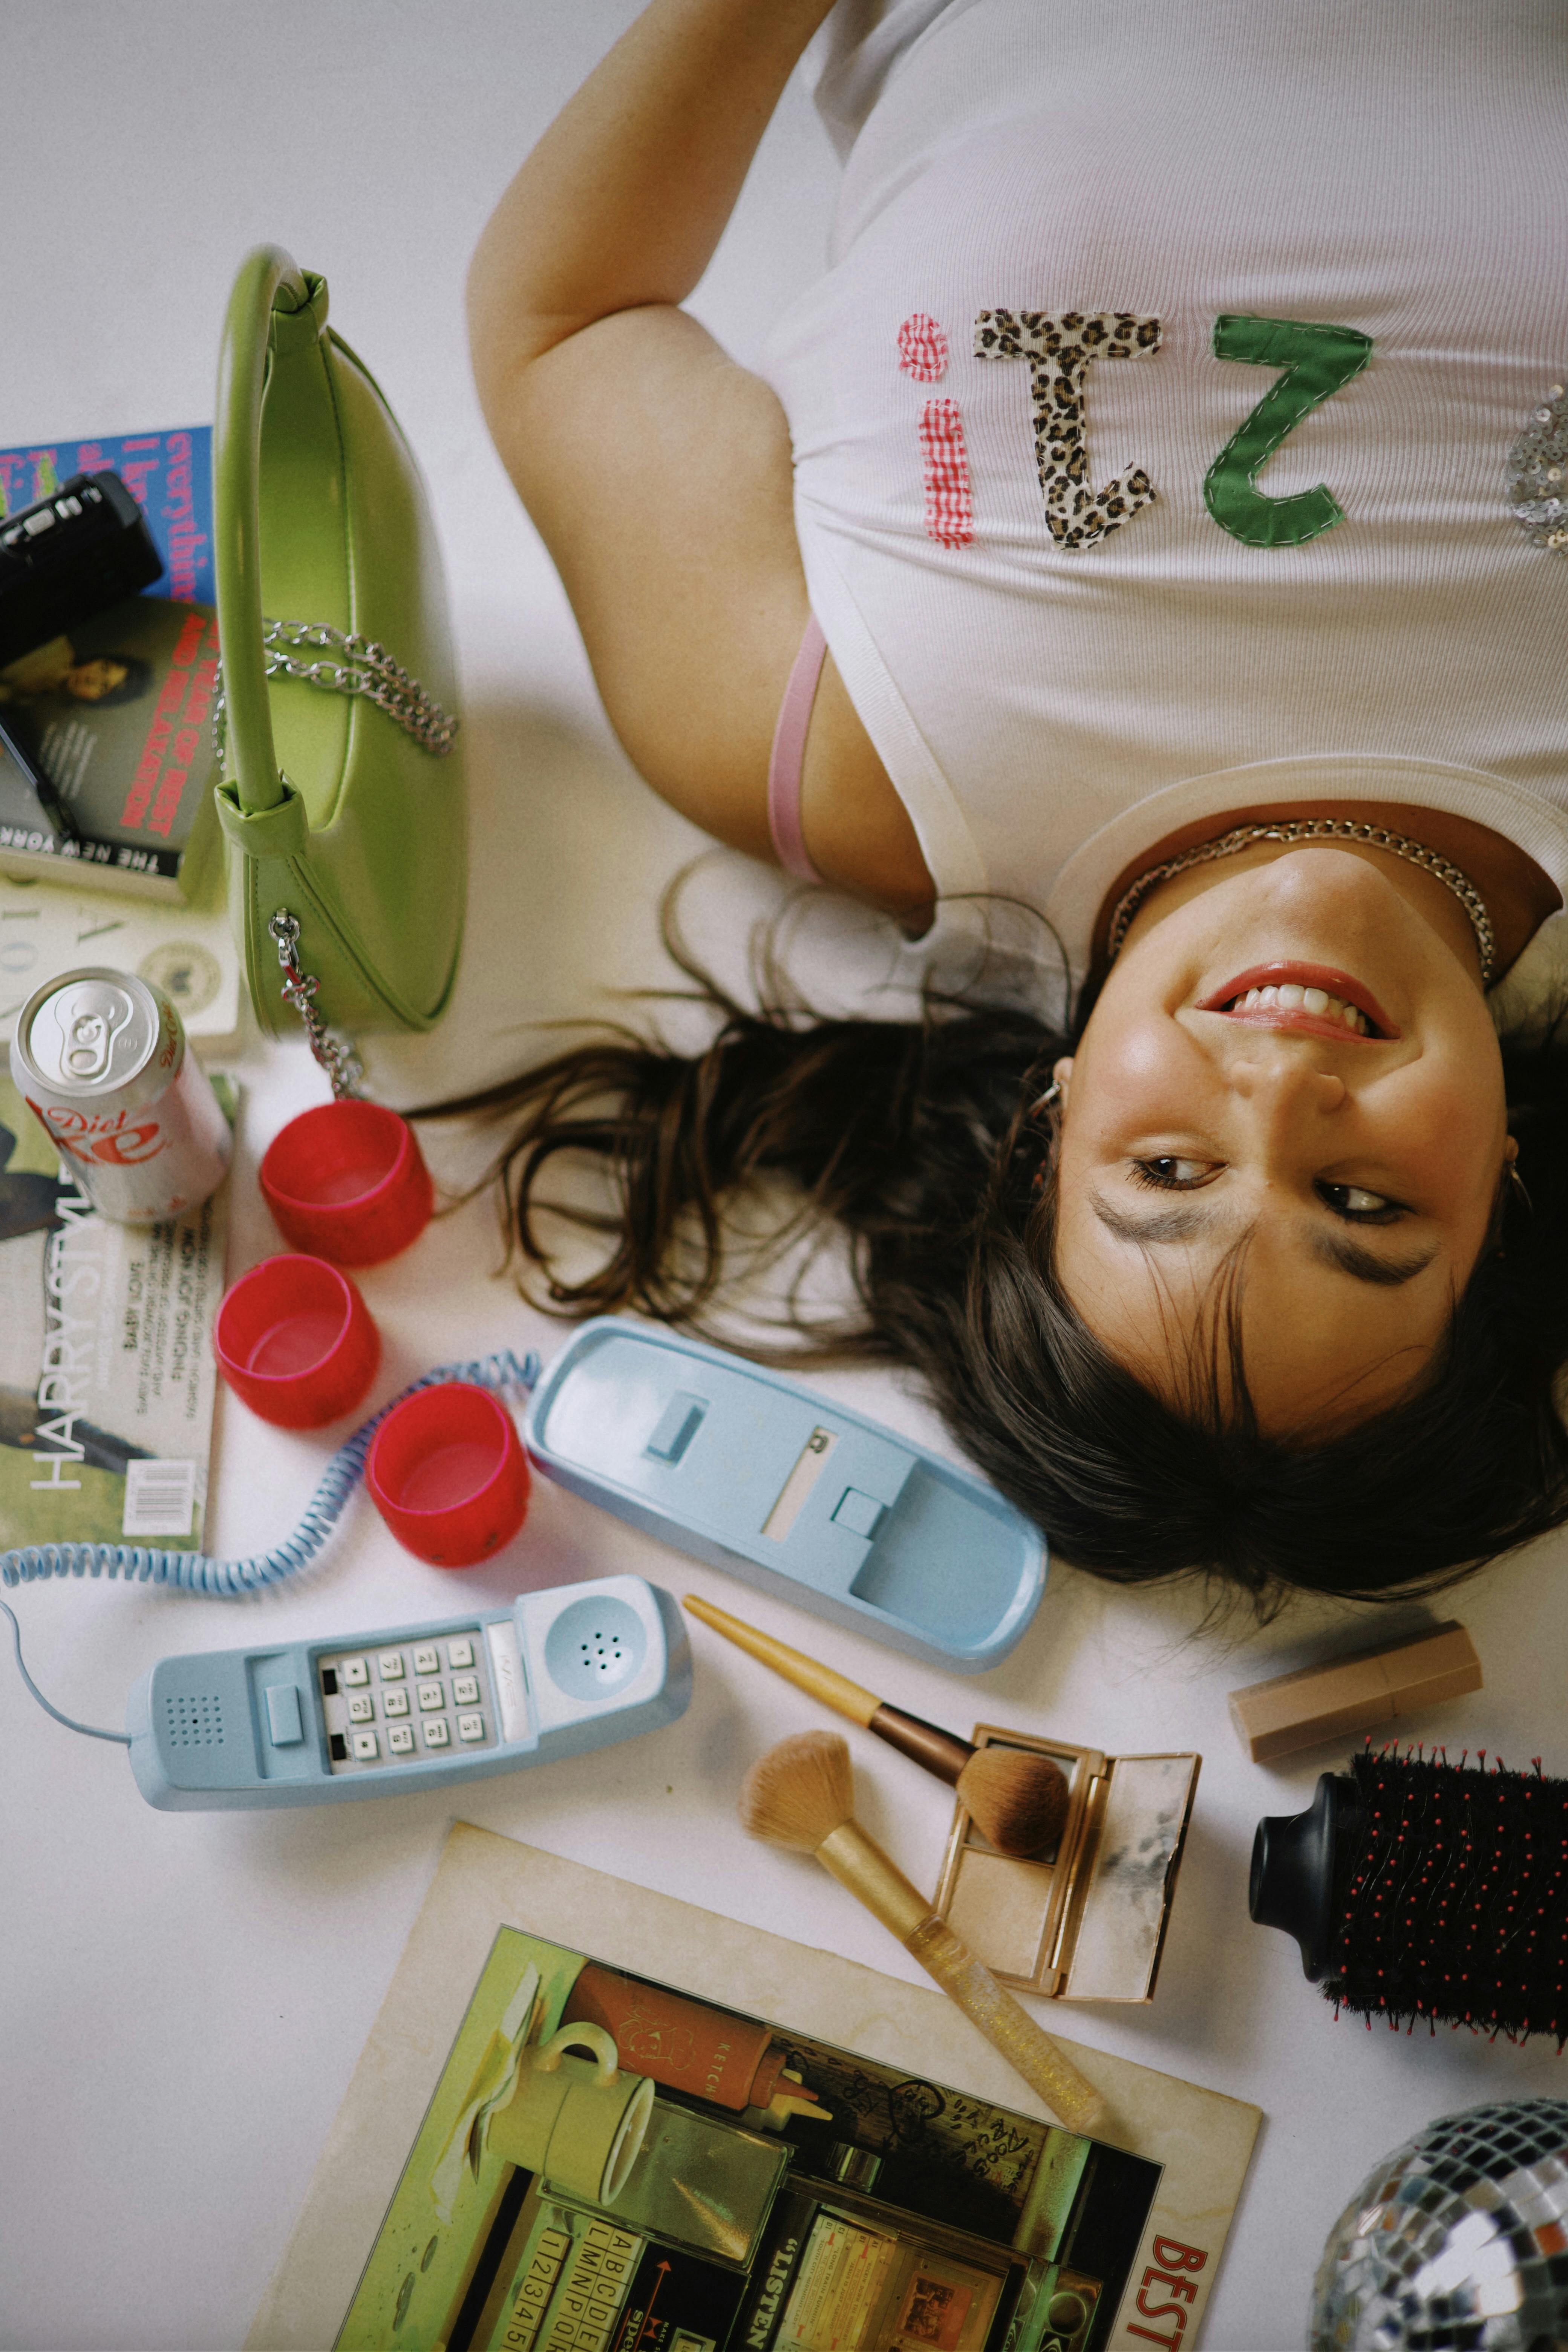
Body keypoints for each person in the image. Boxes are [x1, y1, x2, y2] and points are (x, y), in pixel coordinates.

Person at [447, 0, 1568, 1605]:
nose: (1279, 1095)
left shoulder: (844, 756)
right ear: (1502, 1192)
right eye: (1364, 1202)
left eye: (1165, 1176)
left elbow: (564, 318)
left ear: (1044, 1134)